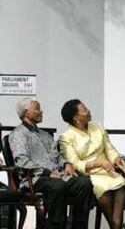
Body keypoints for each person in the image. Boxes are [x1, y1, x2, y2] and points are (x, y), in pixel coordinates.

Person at [9, 98, 93, 229]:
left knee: (84, 183)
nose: (41, 111)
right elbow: (22, 161)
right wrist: (48, 173)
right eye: (37, 109)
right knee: (57, 185)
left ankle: (79, 226)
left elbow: (57, 156)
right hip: (34, 178)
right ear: (26, 113)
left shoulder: (45, 135)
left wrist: (66, 164)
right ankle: (55, 225)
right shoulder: (18, 134)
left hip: (57, 176)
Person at [59, 99, 125, 229]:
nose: (89, 111)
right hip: (90, 175)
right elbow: (75, 164)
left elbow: (109, 149)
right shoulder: (66, 137)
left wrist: (117, 159)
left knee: (120, 186)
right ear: (76, 118)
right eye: (84, 109)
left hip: (109, 171)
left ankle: (116, 224)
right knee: (103, 192)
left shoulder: (97, 127)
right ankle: (115, 225)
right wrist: (98, 163)